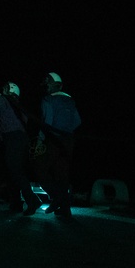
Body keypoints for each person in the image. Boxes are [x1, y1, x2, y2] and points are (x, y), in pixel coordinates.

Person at [0, 81, 44, 216]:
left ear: (9, 91)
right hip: (21, 138)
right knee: (13, 170)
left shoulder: (3, 100)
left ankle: (32, 200)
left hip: (12, 138)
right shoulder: (18, 104)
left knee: (15, 171)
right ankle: (16, 203)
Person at [36, 72, 82, 218]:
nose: (46, 87)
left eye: (47, 84)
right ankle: (65, 209)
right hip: (68, 141)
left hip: (53, 139)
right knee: (62, 175)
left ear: (54, 85)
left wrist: (40, 139)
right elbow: (77, 121)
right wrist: (66, 131)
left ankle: (57, 198)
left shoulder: (48, 99)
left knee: (40, 169)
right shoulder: (70, 100)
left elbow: (47, 122)